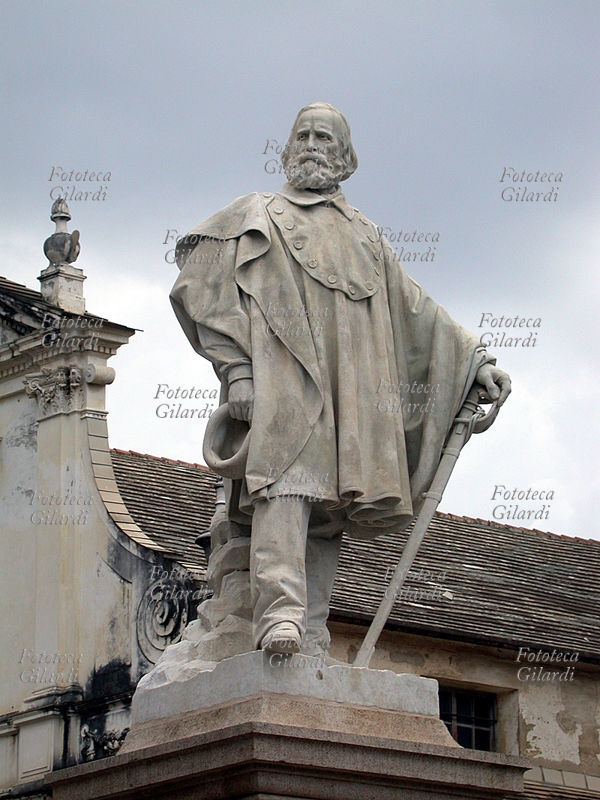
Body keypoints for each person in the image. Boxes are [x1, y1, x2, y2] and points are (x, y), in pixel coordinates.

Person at [170, 102, 511, 657]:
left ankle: (310, 627)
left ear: (346, 157)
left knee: (326, 510)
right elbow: (201, 289)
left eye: (324, 137)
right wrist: (238, 371)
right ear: (287, 149)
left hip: (351, 394)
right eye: (302, 135)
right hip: (284, 377)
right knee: (284, 487)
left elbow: (417, 311)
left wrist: (477, 362)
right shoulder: (255, 214)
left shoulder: (367, 237)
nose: (311, 144)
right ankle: (279, 615)